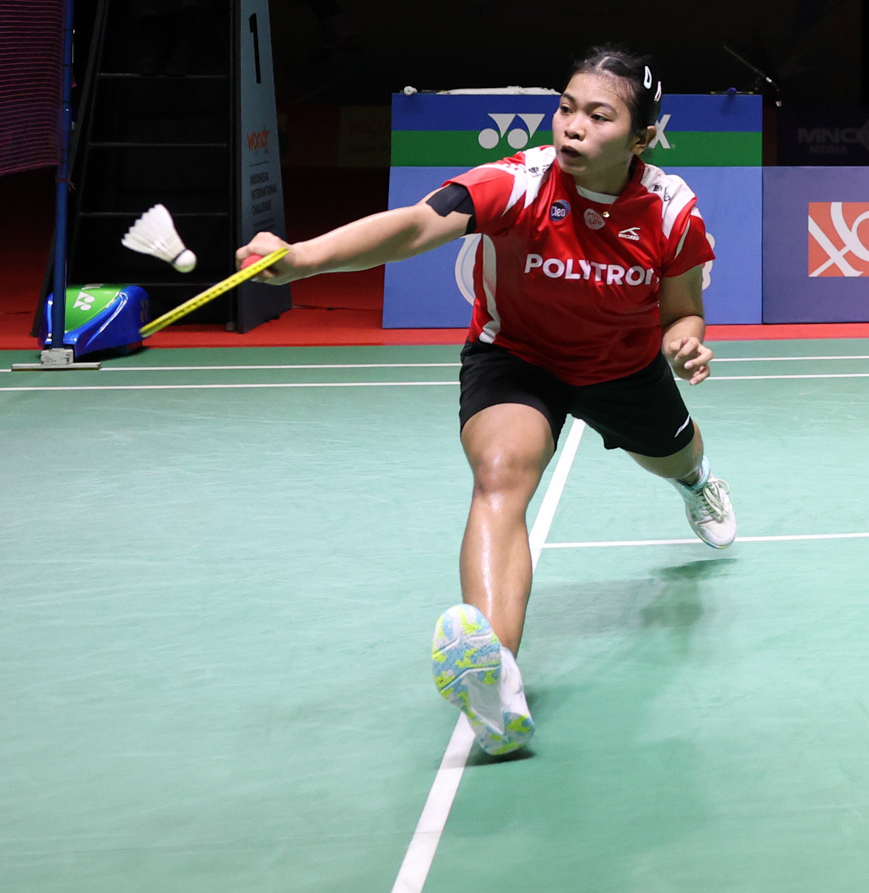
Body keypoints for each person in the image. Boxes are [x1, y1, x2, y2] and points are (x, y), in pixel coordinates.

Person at [237, 46, 737, 756]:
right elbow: (416, 224)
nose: (573, 126)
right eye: (566, 108)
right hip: (518, 359)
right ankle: (494, 678)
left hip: (622, 369)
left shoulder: (669, 209)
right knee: (501, 474)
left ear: (642, 137)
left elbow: (683, 310)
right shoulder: (518, 183)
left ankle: (695, 483)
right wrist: (303, 258)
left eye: (599, 116)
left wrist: (685, 344)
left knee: (676, 458)